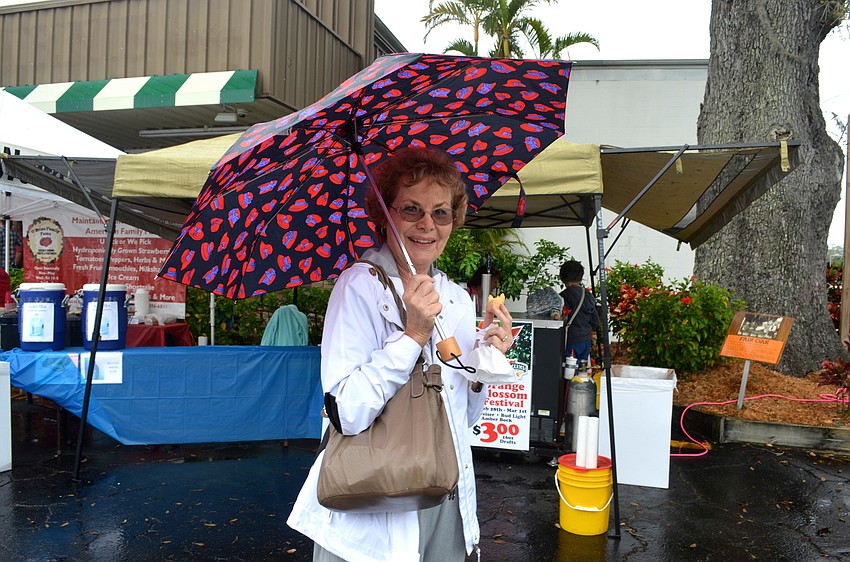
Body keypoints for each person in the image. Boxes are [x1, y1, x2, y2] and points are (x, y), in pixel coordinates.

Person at [287, 147, 515, 562]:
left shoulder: (455, 299)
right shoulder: (360, 287)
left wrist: (486, 361)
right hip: (372, 504)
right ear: (384, 215)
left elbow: (461, 418)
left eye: (441, 212)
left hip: (443, 493)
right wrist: (412, 335)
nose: (427, 224)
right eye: (411, 209)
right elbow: (346, 412)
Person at [559, 260, 598, 364]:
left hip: (571, 340)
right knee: (582, 372)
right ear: (580, 277)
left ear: (562, 277)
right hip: (585, 340)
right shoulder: (588, 295)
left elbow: (560, 319)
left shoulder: (564, 296)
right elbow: (595, 321)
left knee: (569, 372)